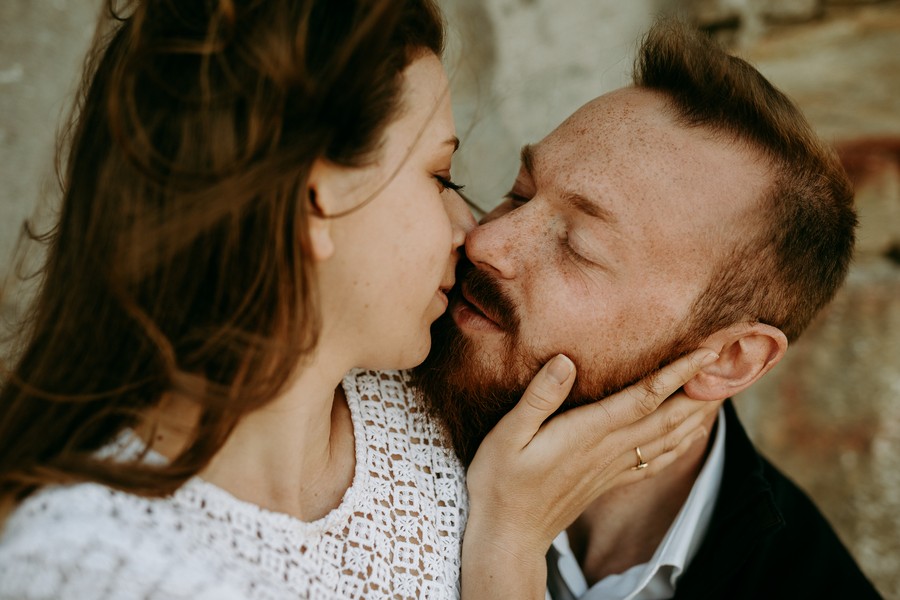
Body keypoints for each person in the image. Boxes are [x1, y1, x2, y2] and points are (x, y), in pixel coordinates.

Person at [0, 2, 717, 599]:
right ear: (315, 200)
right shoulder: (89, 566)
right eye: (438, 175)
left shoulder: (421, 404)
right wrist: (509, 549)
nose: (472, 231)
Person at [414, 20, 882, 600]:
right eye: (521, 191)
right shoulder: (390, 389)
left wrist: (507, 540)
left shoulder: (806, 587)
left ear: (728, 359)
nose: (488, 243)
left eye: (578, 248)